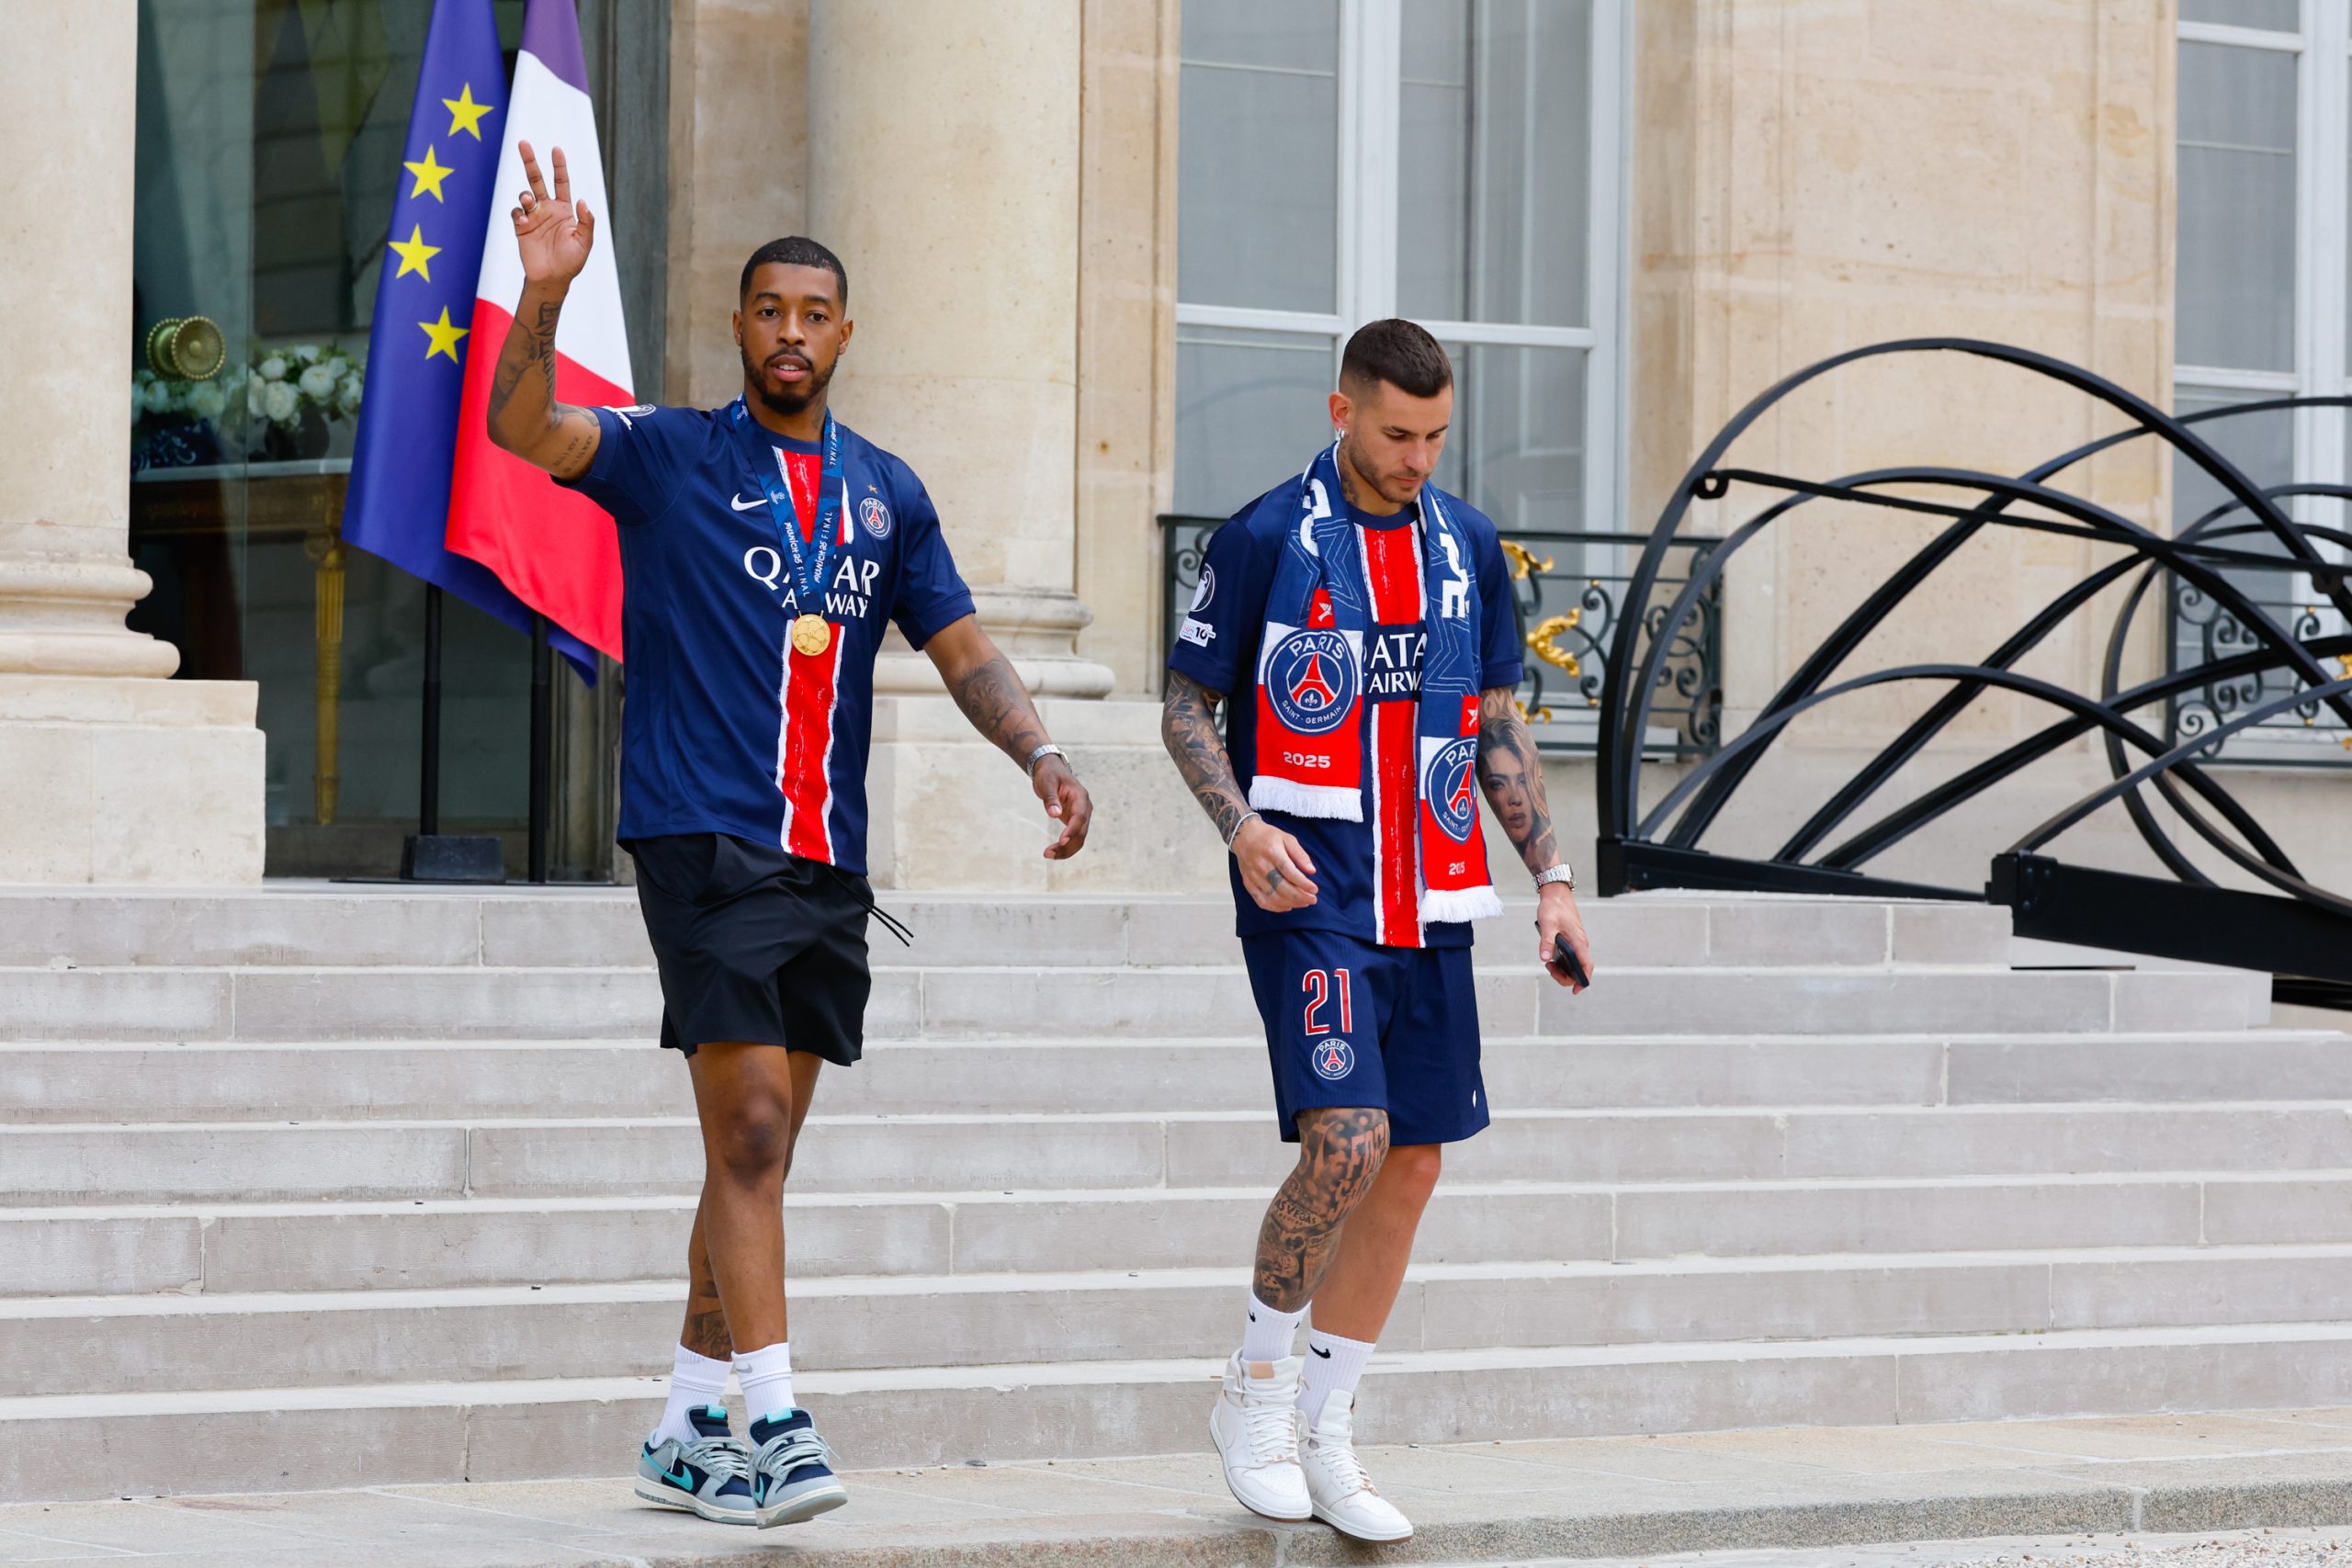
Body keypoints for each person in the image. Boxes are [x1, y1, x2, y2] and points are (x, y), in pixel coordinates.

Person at [487, 143, 1094, 1529]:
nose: (791, 335)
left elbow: (960, 646)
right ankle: (773, 1420)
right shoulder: (668, 454)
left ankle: (682, 1422)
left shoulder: (887, 491)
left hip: (829, 862)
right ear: (741, 325)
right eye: (769, 311)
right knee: (752, 1130)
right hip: (702, 834)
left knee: (748, 1156)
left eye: (814, 315)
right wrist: (542, 298)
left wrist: (1043, 755)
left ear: (844, 335)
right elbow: (525, 431)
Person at [1160, 319, 1594, 1544]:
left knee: (1411, 1162)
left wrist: (1553, 879)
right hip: (1308, 891)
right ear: (1341, 412)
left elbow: (1495, 722)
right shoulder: (1260, 538)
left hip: (1434, 892)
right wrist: (1240, 826)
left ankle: (1328, 1426)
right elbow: (1187, 708)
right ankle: (1254, 1389)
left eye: (1437, 436)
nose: (1418, 459)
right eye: (1398, 434)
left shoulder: (1464, 547)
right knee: (1346, 1142)